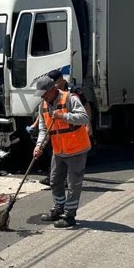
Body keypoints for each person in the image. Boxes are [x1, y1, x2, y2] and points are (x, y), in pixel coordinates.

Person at [33, 75, 91, 228]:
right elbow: (43, 128)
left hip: (77, 149)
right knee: (55, 181)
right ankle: (59, 208)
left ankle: (69, 215)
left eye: (44, 93)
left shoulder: (70, 98)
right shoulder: (43, 105)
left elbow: (84, 118)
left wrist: (63, 116)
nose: (43, 97)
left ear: (53, 90)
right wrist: (39, 146)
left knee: (73, 184)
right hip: (59, 150)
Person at [34, 69, 94, 187]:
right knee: (56, 171)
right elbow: (44, 116)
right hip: (58, 140)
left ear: (60, 80)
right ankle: (56, 181)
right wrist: (39, 143)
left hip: (75, 142)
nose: (55, 85)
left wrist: (88, 125)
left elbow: (86, 108)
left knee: (73, 179)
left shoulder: (73, 91)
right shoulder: (46, 100)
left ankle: (68, 184)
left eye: (55, 82)